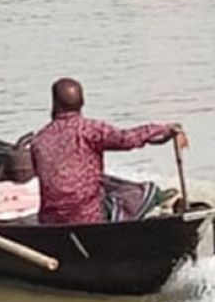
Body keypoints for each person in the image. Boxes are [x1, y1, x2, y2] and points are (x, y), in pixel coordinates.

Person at [28, 78, 186, 225]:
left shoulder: (38, 140)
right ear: (82, 103)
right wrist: (164, 129)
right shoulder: (89, 130)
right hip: (89, 218)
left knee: (106, 182)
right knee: (142, 193)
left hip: (51, 221)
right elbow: (127, 139)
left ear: (54, 104)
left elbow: (40, 174)